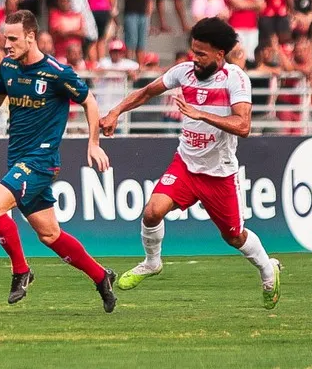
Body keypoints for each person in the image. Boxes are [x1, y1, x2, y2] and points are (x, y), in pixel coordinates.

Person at [98, 17, 282, 309]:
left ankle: (266, 270)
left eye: (201, 54)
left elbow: (243, 125)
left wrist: (201, 114)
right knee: (152, 212)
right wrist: (115, 112)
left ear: (220, 55)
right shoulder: (183, 72)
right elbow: (146, 92)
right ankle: (152, 262)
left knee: (234, 236)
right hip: (185, 164)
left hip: (219, 172)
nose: (194, 59)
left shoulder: (235, 79)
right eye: (193, 51)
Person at [0, 10, 118, 312]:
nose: (7, 44)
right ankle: (101, 276)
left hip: (40, 160)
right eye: (4, 38)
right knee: (50, 234)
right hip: (18, 158)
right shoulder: (9, 66)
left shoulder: (56, 72)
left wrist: (93, 142)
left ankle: (21, 271)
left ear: (30, 36)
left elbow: (89, 101)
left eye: (12, 39)